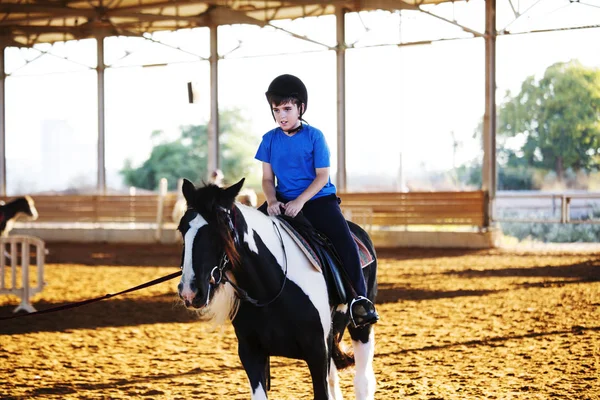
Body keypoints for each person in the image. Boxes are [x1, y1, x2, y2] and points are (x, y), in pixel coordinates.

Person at [254, 74, 379, 328]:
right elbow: (267, 179)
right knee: (247, 234)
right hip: (281, 202)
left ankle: (360, 301)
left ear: (300, 108)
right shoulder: (269, 139)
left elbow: (322, 177)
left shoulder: (315, 137)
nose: (281, 115)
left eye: (287, 109)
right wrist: (271, 201)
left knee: (343, 240)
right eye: (276, 110)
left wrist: (300, 201)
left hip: (318, 200)